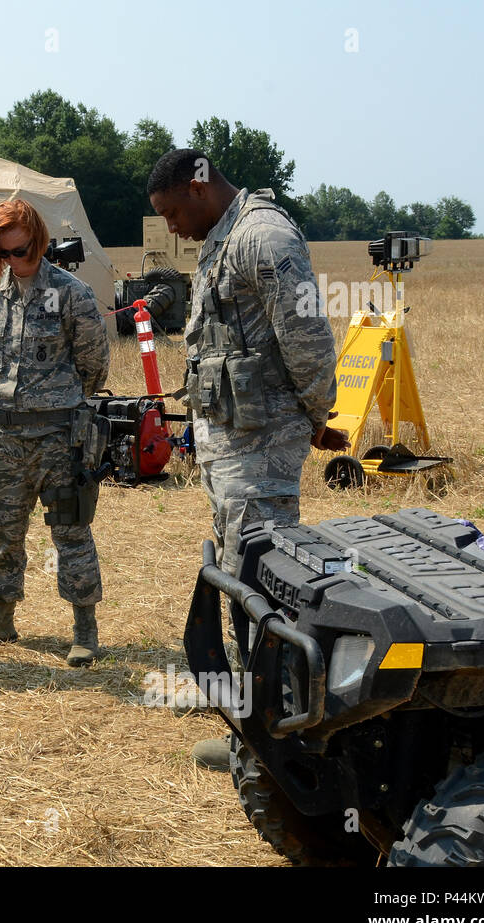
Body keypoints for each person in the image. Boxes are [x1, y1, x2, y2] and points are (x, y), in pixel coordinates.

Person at [146, 149, 346, 770]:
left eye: (173, 212)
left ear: (198, 190)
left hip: (261, 443)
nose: (171, 227)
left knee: (266, 579)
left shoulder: (264, 236)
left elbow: (306, 333)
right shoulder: (222, 234)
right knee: (239, 571)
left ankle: (279, 731)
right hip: (233, 439)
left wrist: (318, 414)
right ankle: (249, 709)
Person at [0, 199, 111, 666]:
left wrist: (53, 403)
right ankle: (1, 615)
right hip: (1, 436)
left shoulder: (72, 293)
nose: (13, 262)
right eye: (3, 254)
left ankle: (84, 627)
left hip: (58, 437)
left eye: (21, 251)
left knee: (70, 529)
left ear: (39, 242)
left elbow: (94, 365)